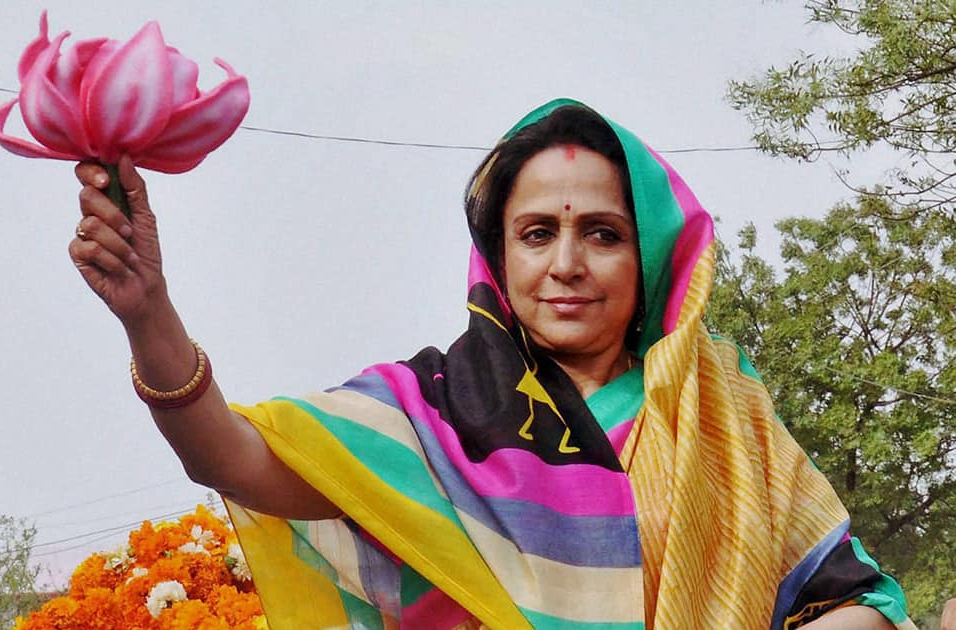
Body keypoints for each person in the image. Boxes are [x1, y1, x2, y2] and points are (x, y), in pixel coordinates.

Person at [69, 99, 915, 629]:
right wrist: (149, 314)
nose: (568, 264)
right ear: (499, 257)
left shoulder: (720, 414)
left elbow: (850, 597)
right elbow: (236, 460)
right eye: (538, 232)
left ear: (651, 257)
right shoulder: (434, 410)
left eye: (604, 235)